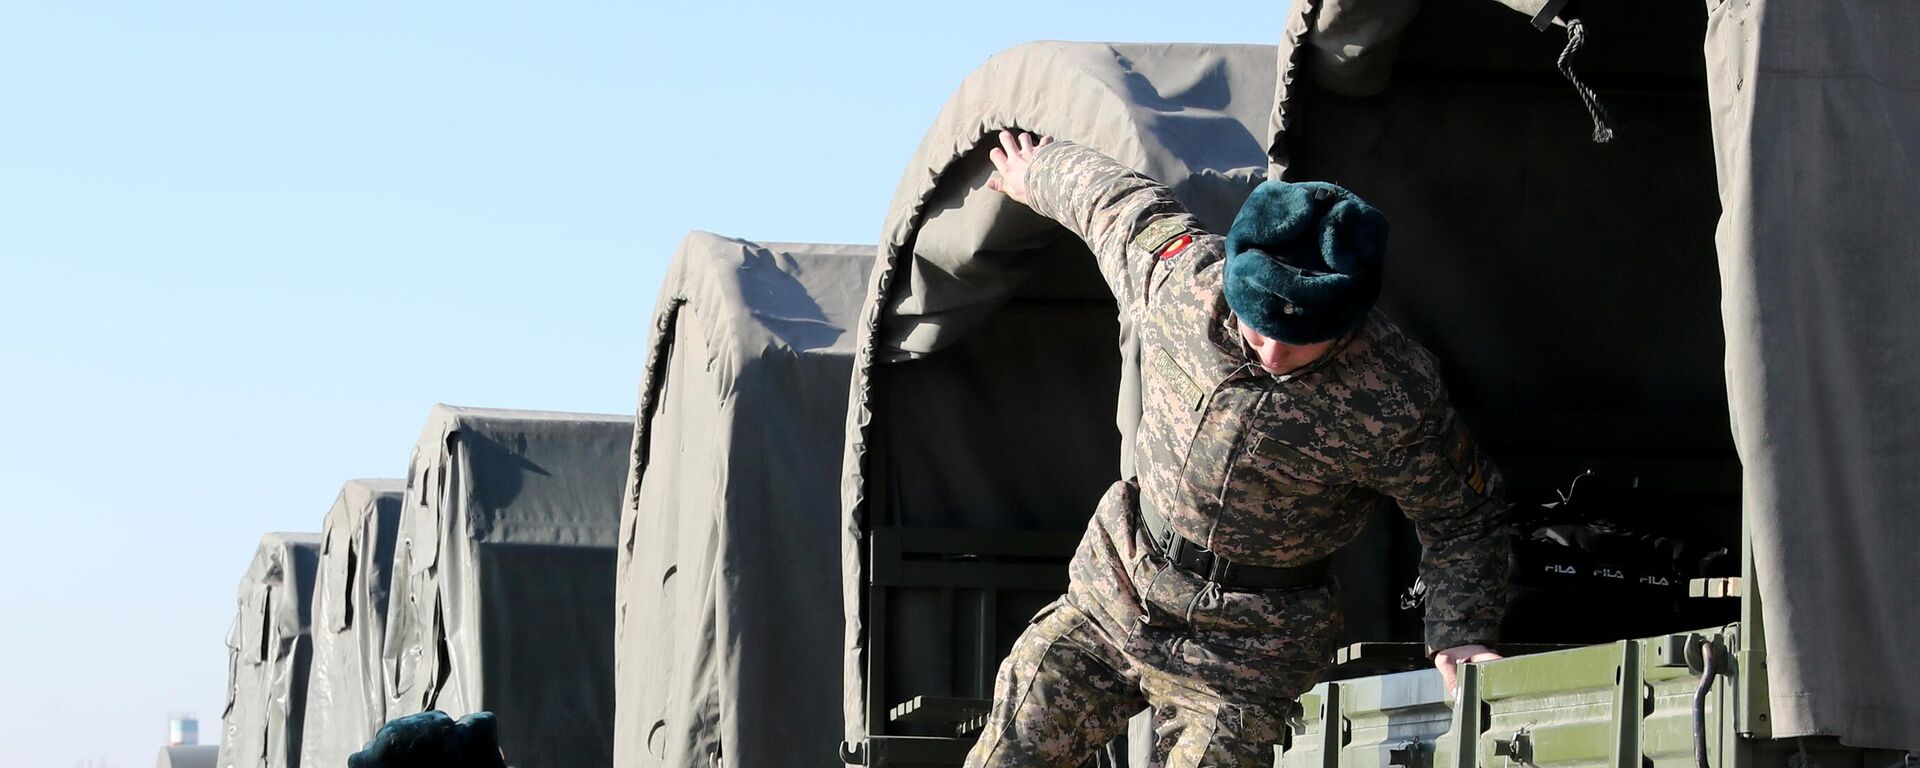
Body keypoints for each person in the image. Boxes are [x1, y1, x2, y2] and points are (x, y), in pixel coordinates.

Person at [963, 131, 1511, 767]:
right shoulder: (1181, 281)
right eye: (1261, 328)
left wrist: (1462, 632)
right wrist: (1037, 171)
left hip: (1247, 653)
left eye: (1303, 340)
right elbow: (1110, 202)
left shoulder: (1395, 395)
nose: (1274, 355)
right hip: (1119, 594)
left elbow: (1465, 518)